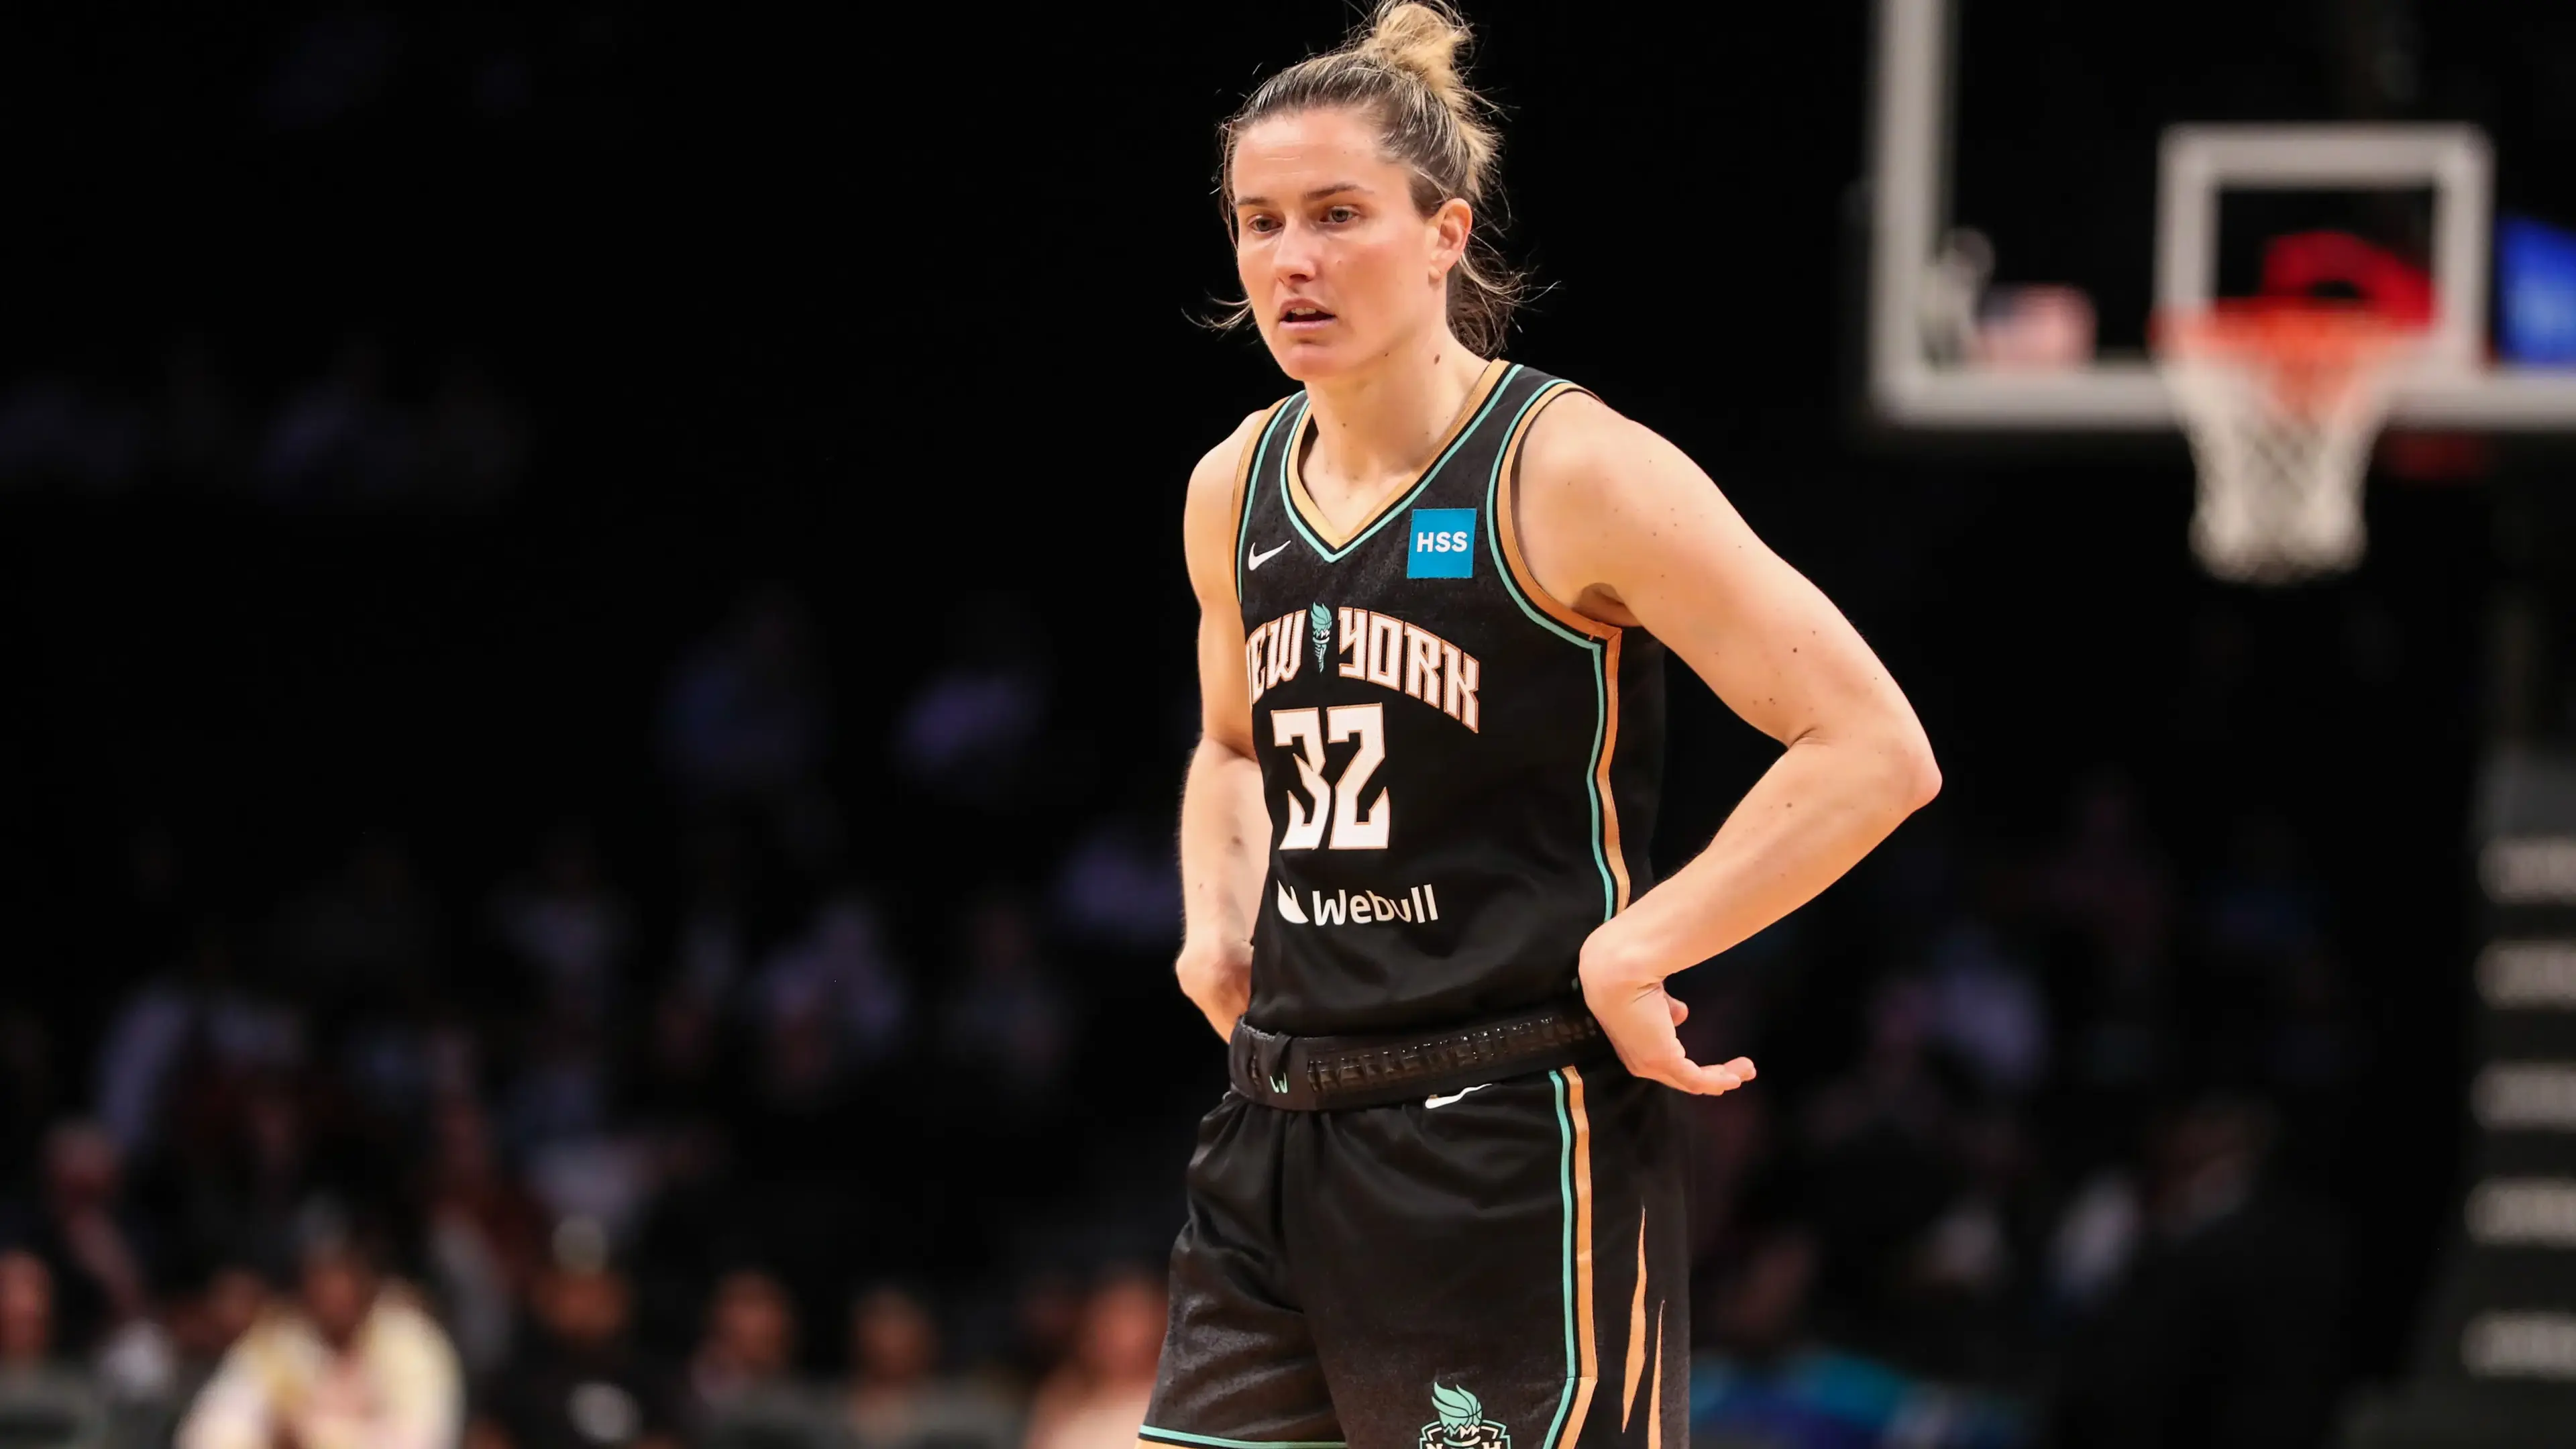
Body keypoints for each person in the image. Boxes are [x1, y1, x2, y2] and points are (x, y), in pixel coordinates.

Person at [1157, 5, 1941, 1447]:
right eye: (1259, 223)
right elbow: (1230, 747)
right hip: (1277, 1130)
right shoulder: (1235, 485)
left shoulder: (1568, 467)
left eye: (1339, 216)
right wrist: (1217, 914)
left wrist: (1644, 941)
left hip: (1509, 1137)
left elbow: (1872, 746)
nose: (1292, 260)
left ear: (1447, 233)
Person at [174, 1237, 460, 1449]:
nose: (330, 1294)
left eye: (341, 1277)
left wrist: (311, 1435)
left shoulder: (409, 1341)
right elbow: (204, 1436)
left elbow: (425, 1440)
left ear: (366, 1282)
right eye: (320, 1278)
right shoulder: (276, 1344)